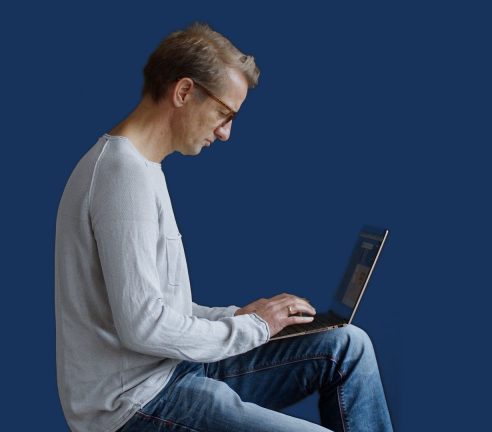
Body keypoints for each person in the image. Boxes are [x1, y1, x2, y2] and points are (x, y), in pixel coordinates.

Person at [54, 23, 393, 432]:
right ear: (184, 92)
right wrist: (256, 327)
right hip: (134, 403)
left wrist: (238, 316)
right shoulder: (121, 175)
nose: (226, 133)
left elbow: (158, 308)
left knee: (346, 345)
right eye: (224, 113)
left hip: (173, 369)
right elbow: (144, 326)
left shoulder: (141, 168)